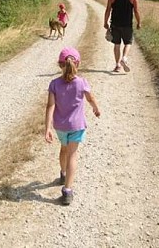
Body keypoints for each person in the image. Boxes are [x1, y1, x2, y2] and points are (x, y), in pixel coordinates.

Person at [44, 47, 101, 205]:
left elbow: (50, 106)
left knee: (63, 149)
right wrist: (96, 108)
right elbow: (90, 98)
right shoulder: (82, 82)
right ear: (78, 63)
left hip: (60, 126)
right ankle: (67, 191)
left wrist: (47, 128)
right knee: (72, 155)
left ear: (59, 64)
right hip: (77, 126)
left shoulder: (54, 84)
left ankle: (63, 173)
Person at [104, 0, 141, 73]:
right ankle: (124, 58)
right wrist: (139, 22)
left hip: (115, 24)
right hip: (127, 24)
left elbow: (108, 9)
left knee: (116, 44)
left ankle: (117, 66)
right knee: (128, 43)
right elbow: (136, 11)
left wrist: (105, 22)